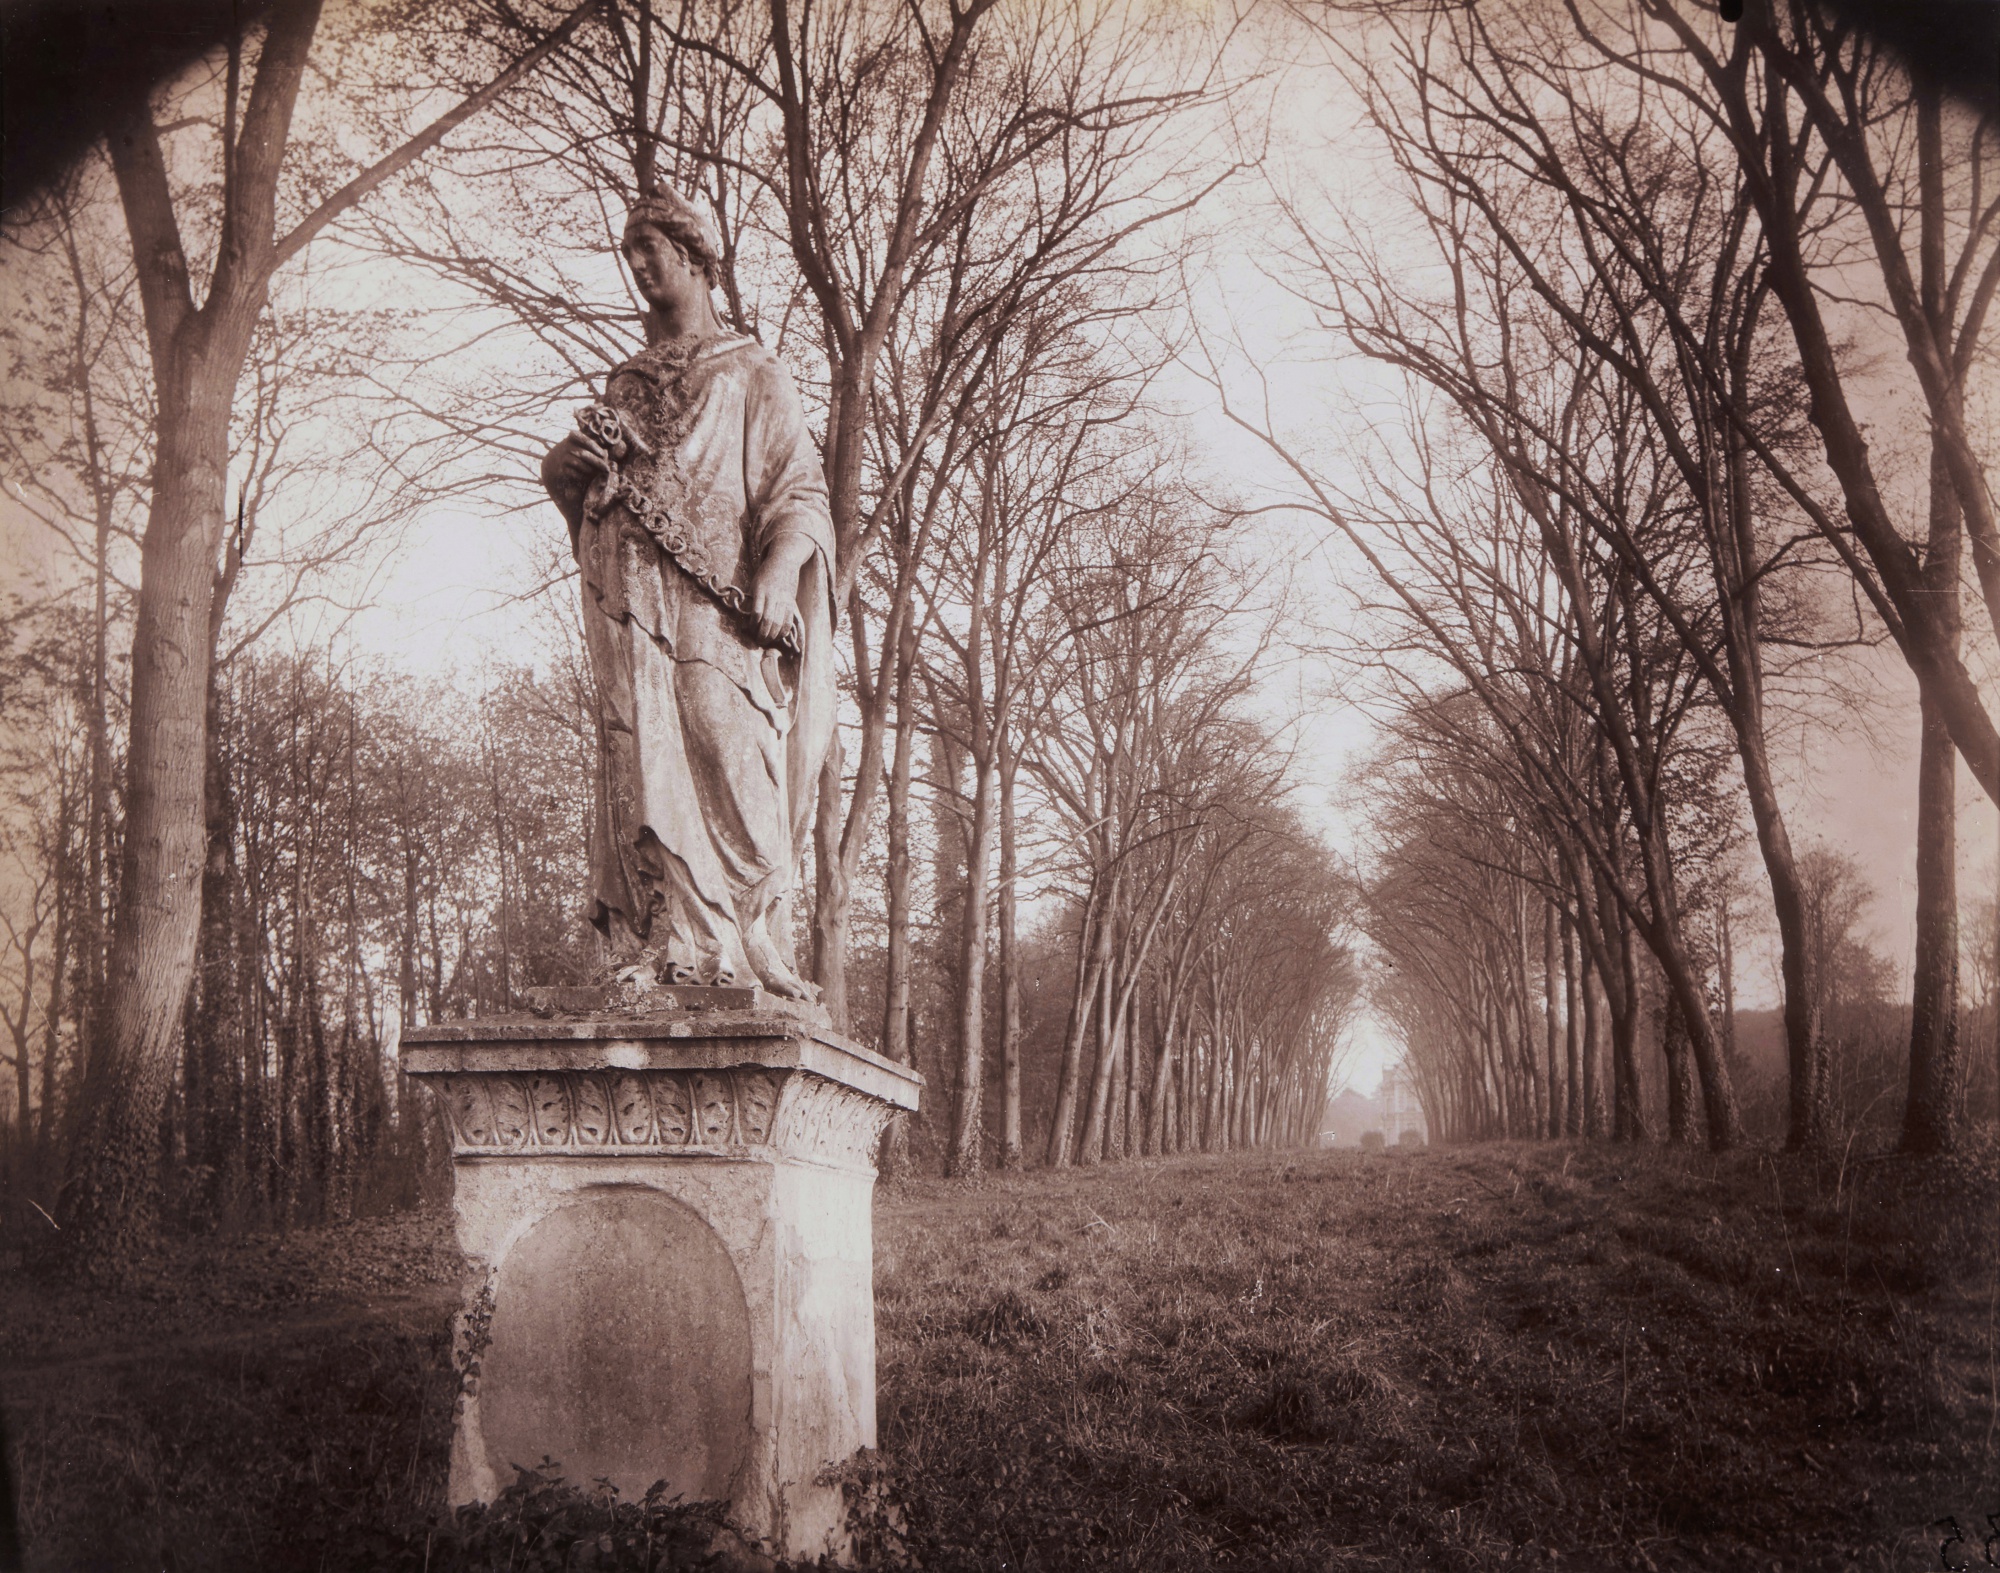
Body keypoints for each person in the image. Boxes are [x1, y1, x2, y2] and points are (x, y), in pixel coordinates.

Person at [541, 190, 835, 1000]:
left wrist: (778, 576)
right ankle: (665, 940)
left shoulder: (750, 370)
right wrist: (567, 472)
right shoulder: (625, 384)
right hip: (627, 594)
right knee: (636, 750)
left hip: (718, 605)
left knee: (716, 729)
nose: (638, 265)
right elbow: (588, 495)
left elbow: (800, 491)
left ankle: (745, 937)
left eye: (651, 247)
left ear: (697, 256)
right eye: (628, 251)